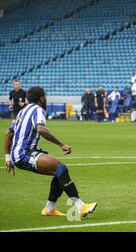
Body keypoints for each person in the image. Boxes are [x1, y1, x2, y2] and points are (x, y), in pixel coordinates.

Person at [3, 86, 97, 217]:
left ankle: (50, 208)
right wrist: (61, 144)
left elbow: (8, 134)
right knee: (61, 168)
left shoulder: (23, 111)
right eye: (45, 97)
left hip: (20, 153)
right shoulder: (38, 110)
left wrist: (8, 158)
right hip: (24, 154)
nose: (46, 99)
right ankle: (80, 206)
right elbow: (41, 129)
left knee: (59, 172)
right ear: (41, 98)